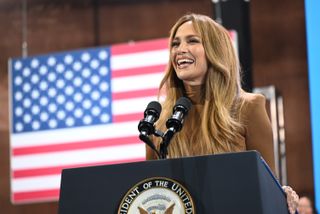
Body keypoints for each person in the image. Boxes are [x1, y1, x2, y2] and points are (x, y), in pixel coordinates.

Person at [145, 13, 298, 213]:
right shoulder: (160, 122)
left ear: (215, 50)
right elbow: (149, 190)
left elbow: (267, 184)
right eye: (175, 44)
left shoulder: (248, 107)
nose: (181, 50)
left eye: (192, 41)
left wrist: (283, 193)